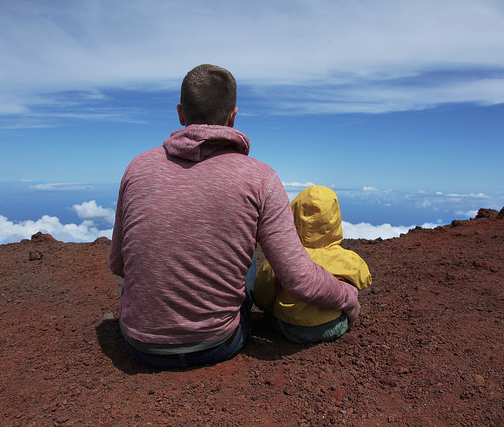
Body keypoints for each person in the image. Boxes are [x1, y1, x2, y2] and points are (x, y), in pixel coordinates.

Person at [109, 64, 360, 369]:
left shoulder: (137, 168)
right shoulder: (260, 178)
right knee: (249, 261)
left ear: (180, 114)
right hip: (217, 344)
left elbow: (118, 264)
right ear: (233, 115)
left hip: (140, 345)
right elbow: (299, 280)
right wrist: (348, 297)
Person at [254, 185, 372, 343]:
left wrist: (266, 307)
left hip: (287, 326)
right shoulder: (347, 259)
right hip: (329, 327)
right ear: (334, 219)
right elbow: (365, 280)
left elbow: (262, 293)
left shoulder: (282, 258)